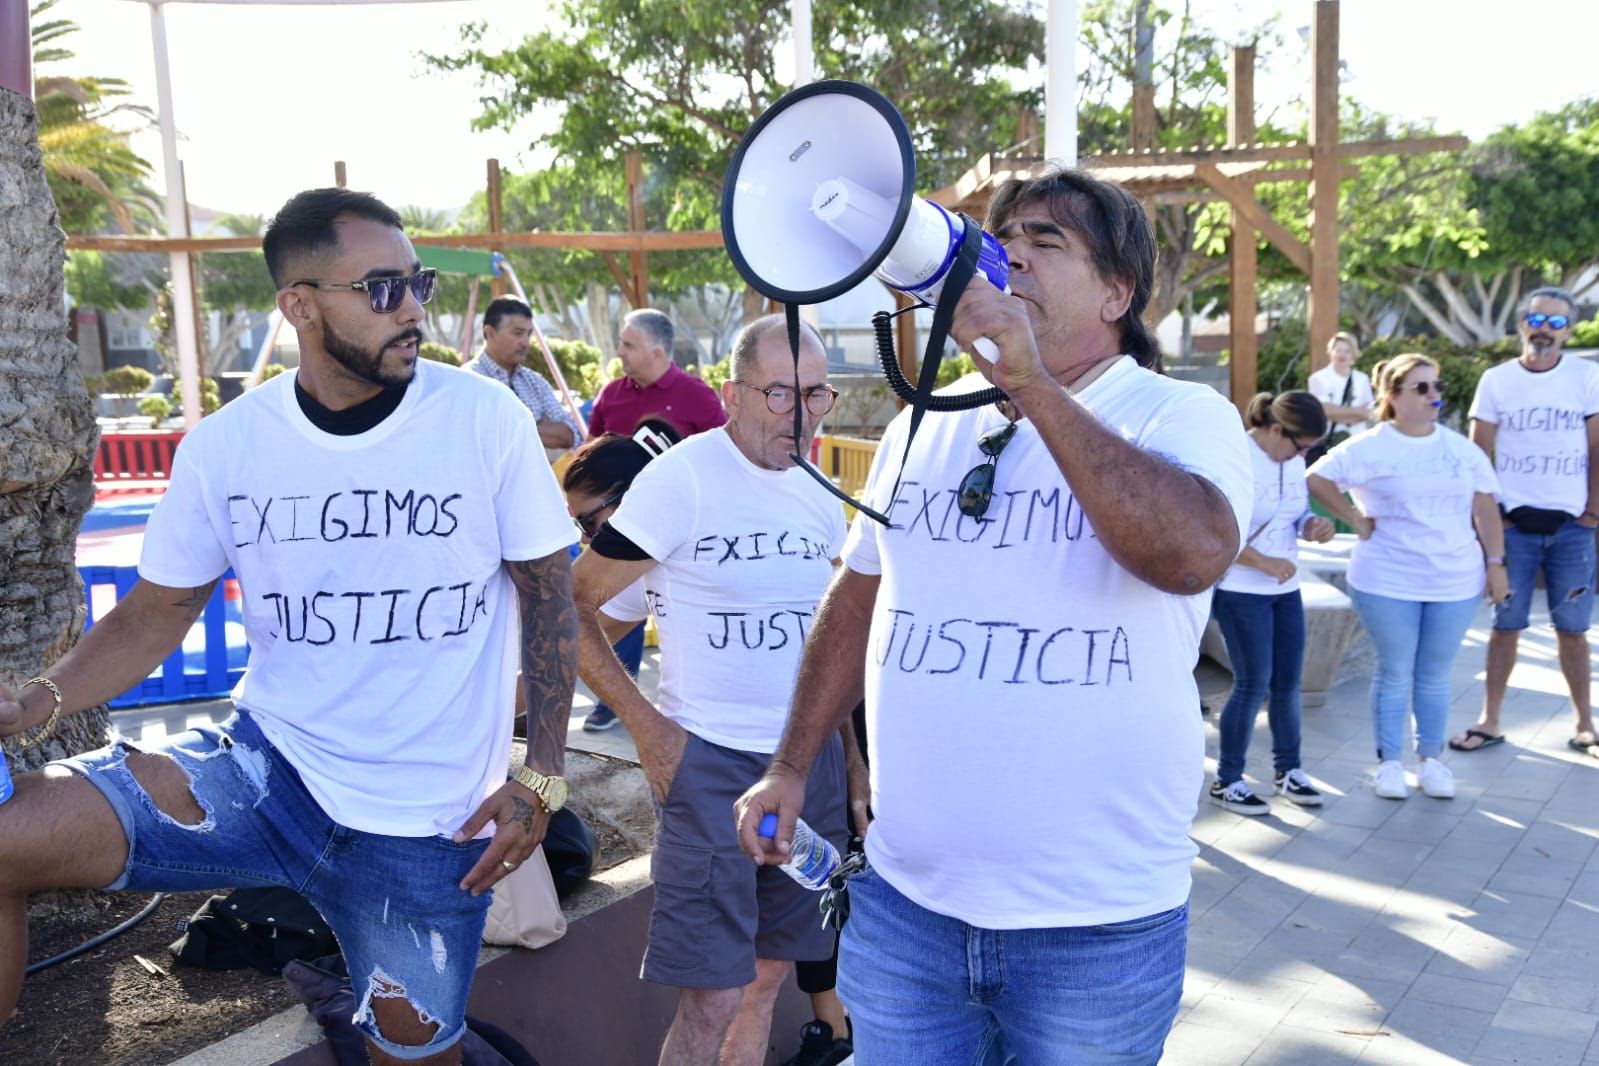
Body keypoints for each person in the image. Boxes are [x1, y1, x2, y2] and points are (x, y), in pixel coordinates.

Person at [0, 188, 579, 1066]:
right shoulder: (228, 446)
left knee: (414, 1058)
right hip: (261, 775)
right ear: (299, 305)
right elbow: (158, 610)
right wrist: (36, 702)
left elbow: (548, 595)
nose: (413, 308)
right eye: (381, 288)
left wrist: (542, 777)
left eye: (413, 281)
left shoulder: (482, 419)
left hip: (425, 831)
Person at [734, 167, 1253, 1065]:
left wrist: (1034, 387)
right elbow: (857, 598)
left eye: (1046, 242)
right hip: (906, 910)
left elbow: (1189, 553)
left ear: (1117, 294)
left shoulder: (1179, 413)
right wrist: (789, 764)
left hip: (1093, 926)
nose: (1009, 252)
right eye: (1002, 236)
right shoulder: (922, 426)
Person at [571, 315, 862, 1066]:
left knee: (768, 979)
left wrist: (852, 762)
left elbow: (831, 643)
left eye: (815, 395)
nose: (799, 414)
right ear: (731, 394)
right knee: (711, 997)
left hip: (808, 766)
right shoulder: (681, 480)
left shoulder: (814, 489)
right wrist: (648, 730)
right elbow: (570, 606)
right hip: (712, 767)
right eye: (778, 394)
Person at [1307, 353, 1507, 800]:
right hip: (1386, 578)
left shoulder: (1459, 449)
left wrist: (1496, 564)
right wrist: (1355, 520)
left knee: (1435, 674)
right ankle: (1389, 764)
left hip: (1455, 580)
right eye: (1422, 387)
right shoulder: (1371, 446)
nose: (1434, 395)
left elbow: (1486, 507)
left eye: (1437, 386)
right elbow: (1317, 479)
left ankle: (1431, 760)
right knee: (1396, 671)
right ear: (1392, 396)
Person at [1451, 287, 1599, 756]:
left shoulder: (1586, 378)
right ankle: (1490, 720)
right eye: (1537, 320)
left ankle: (1585, 724)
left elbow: (1598, 449)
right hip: (1515, 529)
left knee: (1574, 630)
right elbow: (1479, 458)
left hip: (1573, 529)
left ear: (1568, 331)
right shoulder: (1496, 381)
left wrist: (1593, 511)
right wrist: (1493, 520)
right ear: (1522, 324)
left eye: (1556, 324)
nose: (1544, 331)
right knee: (1506, 625)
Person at [1209, 391, 1336, 816]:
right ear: (1277, 429)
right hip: (1240, 588)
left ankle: (1289, 770)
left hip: (1285, 588)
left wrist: (1313, 524)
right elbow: (1216, 527)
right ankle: (1227, 780)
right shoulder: (1236, 455)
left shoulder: (1293, 459)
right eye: (1302, 446)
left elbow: (1292, 515)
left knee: (1287, 682)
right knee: (1252, 683)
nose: (1305, 455)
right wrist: (1262, 561)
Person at [560, 420, 680, 733]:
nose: (586, 540)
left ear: (632, 497)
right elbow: (562, 657)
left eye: (588, 522)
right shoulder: (643, 572)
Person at [464, 295, 585, 452]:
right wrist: (541, 427)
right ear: (490, 333)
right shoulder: (469, 380)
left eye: (528, 334)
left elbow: (569, 435)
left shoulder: (535, 382)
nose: (526, 342)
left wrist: (509, 428)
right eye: (518, 333)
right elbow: (480, 439)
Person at [586, 308, 727, 439]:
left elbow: (722, 453)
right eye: (621, 343)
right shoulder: (609, 394)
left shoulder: (698, 396)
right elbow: (588, 454)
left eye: (628, 345)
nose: (620, 352)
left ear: (656, 353)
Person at [1308, 331, 1375, 434]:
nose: (1342, 355)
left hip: (1357, 438)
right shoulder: (1317, 378)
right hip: (1329, 439)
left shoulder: (1362, 379)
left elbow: (1369, 412)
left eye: (1347, 351)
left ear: (1353, 353)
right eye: (1338, 350)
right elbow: (1324, 410)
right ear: (1330, 352)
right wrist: (1357, 411)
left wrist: (1337, 413)